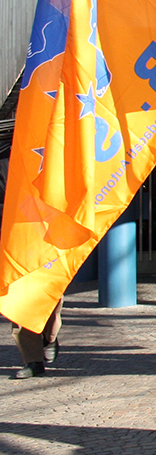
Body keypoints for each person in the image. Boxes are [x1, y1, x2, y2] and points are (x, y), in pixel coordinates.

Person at [2, 154, 64, 380]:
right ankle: (32, 360)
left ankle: (49, 336)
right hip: (10, 236)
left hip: (38, 229)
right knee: (18, 299)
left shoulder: (28, 148)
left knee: (48, 295)